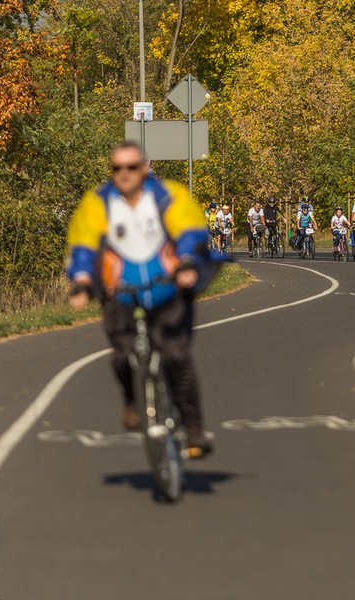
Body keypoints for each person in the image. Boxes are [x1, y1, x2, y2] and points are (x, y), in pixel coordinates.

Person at [66, 141, 212, 457]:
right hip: (120, 294)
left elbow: (190, 228)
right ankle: (132, 400)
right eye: (117, 168)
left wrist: (187, 261)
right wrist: (81, 280)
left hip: (168, 289)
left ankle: (194, 429)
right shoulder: (98, 204)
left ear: (144, 168)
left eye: (131, 167)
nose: (124, 174)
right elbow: (83, 246)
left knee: (176, 356)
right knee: (122, 356)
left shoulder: (166, 195)